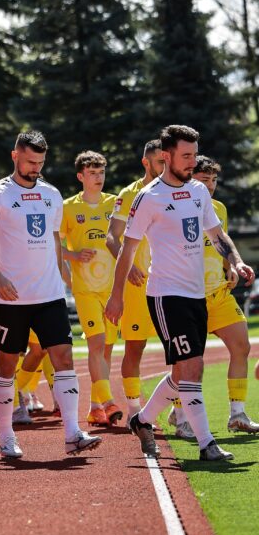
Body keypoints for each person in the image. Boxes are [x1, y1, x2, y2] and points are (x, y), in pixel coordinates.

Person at [106, 125, 255, 461]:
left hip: (196, 295)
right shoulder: (148, 198)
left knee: (181, 372)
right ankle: (206, 444)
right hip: (166, 295)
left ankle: (142, 420)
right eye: (186, 156)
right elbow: (127, 250)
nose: (192, 162)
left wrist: (237, 260)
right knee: (193, 366)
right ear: (166, 156)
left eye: (194, 155)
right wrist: (116, 296)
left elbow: (217, 235)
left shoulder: (198, 192)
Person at [0, 130, 102, 459]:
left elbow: (55, 239)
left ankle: (72, 433)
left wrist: (62, 275)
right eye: (30, 161)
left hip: (49, 295)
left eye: (40, 162)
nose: (36, 168)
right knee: (6, 365)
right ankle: (6, 436)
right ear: (15, 156)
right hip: (10, 298)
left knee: (64, 358)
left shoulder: (51, 194)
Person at [165, 156, 257, 434]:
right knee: (187, 363)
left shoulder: (219, 208)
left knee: (241, 346)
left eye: (214, 180)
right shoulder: (173, 206)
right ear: (190, 178)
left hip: (218, 293)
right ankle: (179, 415)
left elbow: (221, 242)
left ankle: (237, 414)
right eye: (204, 180)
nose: (211, 185)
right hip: (185, 297)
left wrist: (230, 266)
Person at [60, 150, 122, 426]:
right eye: (92, 173)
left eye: (101, 172)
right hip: (85, 290)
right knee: (96, 343)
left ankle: (95, 407)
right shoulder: (68, 207)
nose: (98, 177)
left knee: (106, 348)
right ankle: (109, 403)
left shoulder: (114, 203)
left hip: (112, 290)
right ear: (80, 176)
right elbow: (54, 244)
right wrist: (73, 255)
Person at [106, 140, 165, 425]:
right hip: (138, 286)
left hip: (169, 282)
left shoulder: (177, 191)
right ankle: (134, 411)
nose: (165, 166)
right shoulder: (129, 194)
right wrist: (128, 267)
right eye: (160, 162)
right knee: (135, 347)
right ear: (146, 162)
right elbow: (111, 238)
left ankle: (180, 414)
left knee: (179, 351)